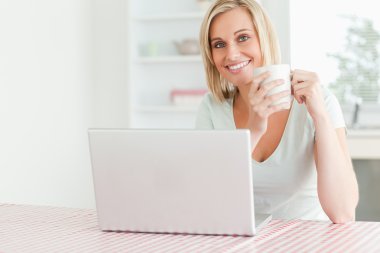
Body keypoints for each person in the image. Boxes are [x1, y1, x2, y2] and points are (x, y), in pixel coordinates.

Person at [196, 0, 358, 223]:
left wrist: (320, 116)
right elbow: (210, 201)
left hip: (308, 240)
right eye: (219, 44)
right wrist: (253, 130)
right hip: (242, 241)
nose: (231, 54)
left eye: (243, 37)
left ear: (265, 39)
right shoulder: (211, 108)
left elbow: (343, 212)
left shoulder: (320, 101)